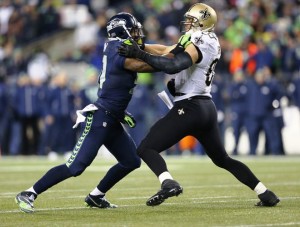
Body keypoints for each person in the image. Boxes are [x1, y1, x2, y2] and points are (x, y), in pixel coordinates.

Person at [118, 3, 280, 207]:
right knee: (223, 159)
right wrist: (140, 46)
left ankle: (168, 183)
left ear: (202, 23)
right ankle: (265, 193)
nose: (187, 23)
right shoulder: (209, 39)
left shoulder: (198, 40)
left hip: (190, 106)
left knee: (145, 148)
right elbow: (166, 50)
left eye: (192, 20)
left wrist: (139, 54)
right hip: (206, 107)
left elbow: (174, 64)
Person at [15, 12, 159, 213]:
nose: (137, 34)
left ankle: (96, 196)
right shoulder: (118, 49)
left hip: (112, 117)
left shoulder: (118, 47)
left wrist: (120, 112)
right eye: (133, 30)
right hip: (101, 117)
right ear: (121, 30)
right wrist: (176, 60)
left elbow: (116, 84)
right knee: (75, 167)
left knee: (131, 161)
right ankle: (29, 193)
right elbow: (147, 65)